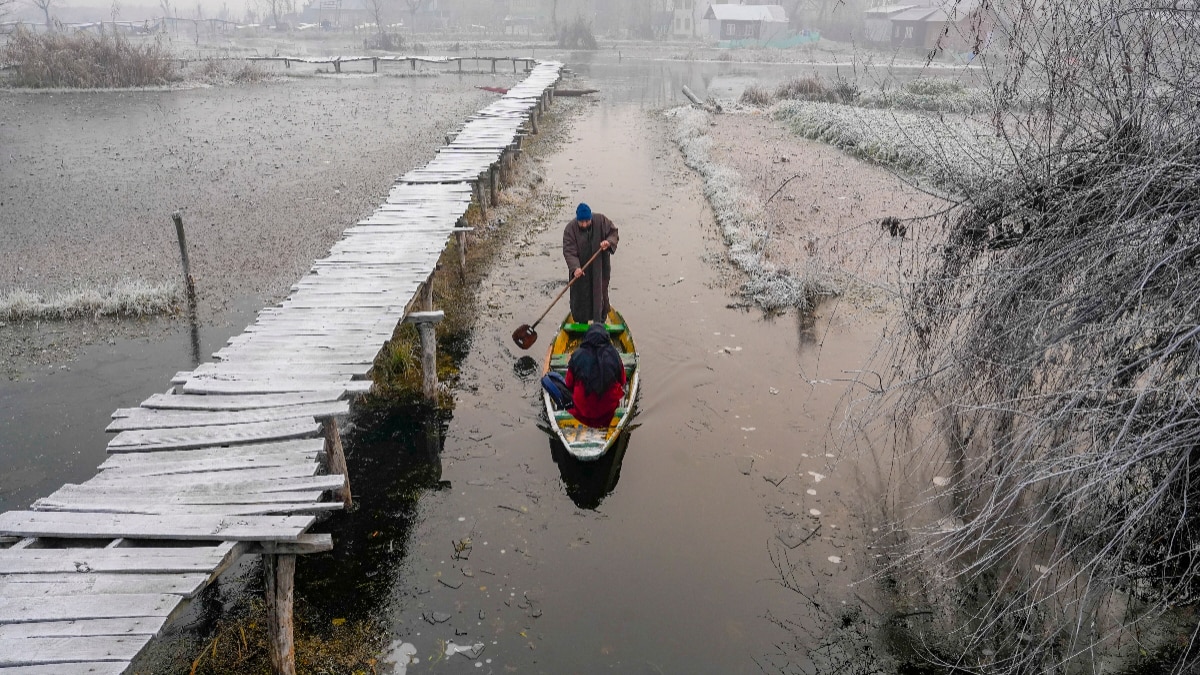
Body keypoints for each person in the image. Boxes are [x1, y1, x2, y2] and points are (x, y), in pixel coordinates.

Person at [563, 202, 619, 325]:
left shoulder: (601, 221)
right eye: (581, 222)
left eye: (587, 221)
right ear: (577, 220)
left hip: (600, 268)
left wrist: (608, 242)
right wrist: (575, 268)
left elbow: (613, 233)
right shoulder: (570, 230)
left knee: (600, 294)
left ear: (590, 218)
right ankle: (581, 324)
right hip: (580, 272)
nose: (584, 224)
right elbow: (569, 252)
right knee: (581, 298)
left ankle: (600, 324)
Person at [564, 323, 626, 428]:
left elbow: (568, 383)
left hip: (582, 411)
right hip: (608, 411)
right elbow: (623, 381)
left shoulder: (577, 355)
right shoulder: (614, 355)